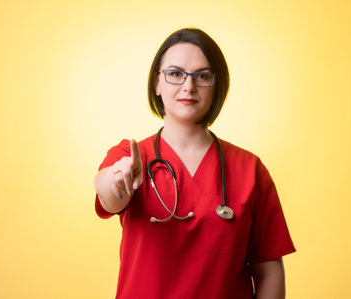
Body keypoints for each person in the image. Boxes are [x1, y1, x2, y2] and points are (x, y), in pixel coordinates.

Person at [94, 28, 295, 299]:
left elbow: (269, 271)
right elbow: (108, 196)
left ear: (217, 85)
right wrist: (118, 182)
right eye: (175, 74)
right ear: (157, 82)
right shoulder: (131, 157)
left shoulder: (250, 170)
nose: (188, 87)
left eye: (202, 76)